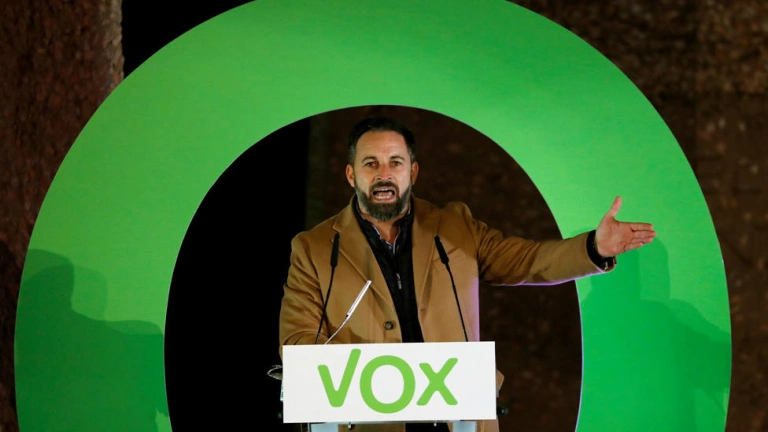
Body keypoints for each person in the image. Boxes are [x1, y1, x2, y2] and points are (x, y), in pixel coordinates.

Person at [278, 116, 656, 432]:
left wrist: (594, 247)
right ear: (350, 174)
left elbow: (527, 260)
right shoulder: (313, 248)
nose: (384, 174)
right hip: (368, 425)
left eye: (395, 162)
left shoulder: (454, 226)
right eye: (370, 163)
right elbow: (297, 342)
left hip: (457, 422)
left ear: (413, 171)